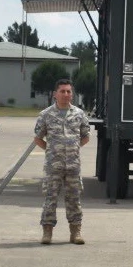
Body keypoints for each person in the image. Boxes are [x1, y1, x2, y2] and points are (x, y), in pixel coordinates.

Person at [34, 78, 90, 245]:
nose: (66, 94)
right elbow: (38, 138)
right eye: (62, 91)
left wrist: (73, 149)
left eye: (68, 91)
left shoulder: (79, 114)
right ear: (55, 94)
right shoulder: (46, 115)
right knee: (50, 199)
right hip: (53, 165)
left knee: (74, 199)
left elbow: (85, 137)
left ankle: (75, 232)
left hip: (73, 165)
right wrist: (52, 150)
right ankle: (47, 232)